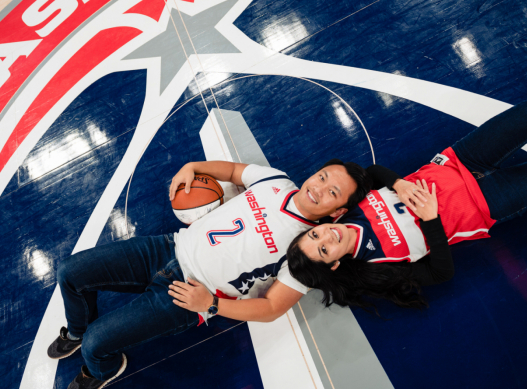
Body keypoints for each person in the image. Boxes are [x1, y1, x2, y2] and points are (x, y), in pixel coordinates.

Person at [47, 158, 370, 388]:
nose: (320, 187)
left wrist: (211, 305)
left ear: (338, 212)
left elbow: (273, 308)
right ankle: (76, 331)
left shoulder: (312, 247)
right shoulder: (276, 180)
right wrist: (194, 167)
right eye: (324, 177)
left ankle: (102, 370)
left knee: (96, 345)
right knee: (70, 272)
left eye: (332, 193)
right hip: (165, 247)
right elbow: (231, 170)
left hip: (191, 295)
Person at [287, 97, 527, 314]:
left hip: (455, 162)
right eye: (325, 250)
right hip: (487, 203)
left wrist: (399, 184)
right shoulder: (376, 269)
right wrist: (431, 219)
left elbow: (370, 173)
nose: (327, 237)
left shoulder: (345, 211)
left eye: (315, 236)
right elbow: (440, 274)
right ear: (335, 265)